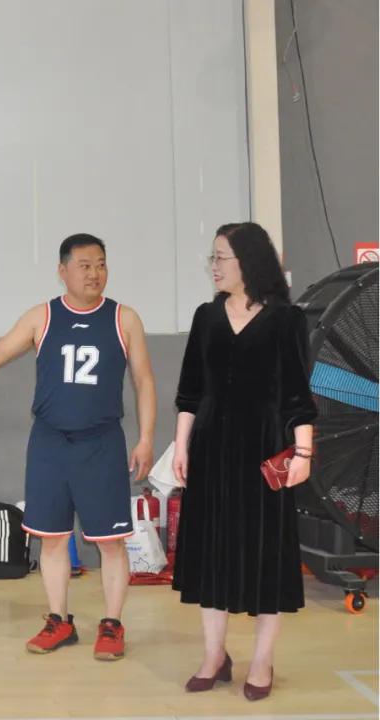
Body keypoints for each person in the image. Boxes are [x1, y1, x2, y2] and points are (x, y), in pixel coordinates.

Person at [0, 233, 155, 661]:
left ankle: (112, 624)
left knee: (111, 542)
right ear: (63, 271)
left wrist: (147, 438)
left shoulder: (125, 319)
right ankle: (59, 621)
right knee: (53, 538)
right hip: (49, 443)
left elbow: (144, 380)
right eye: (84, 265)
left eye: (101, 264)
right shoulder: (42, 317)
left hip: (101, 443)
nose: (94, 273)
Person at [172, 222, 316, 701]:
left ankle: (262, 660)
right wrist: (181, 446)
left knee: (264, 555)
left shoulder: (287, 319)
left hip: (264, 449)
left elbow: (297, 395)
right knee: (211, 552)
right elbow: (190, 391)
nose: (213, 266)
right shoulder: (206, 316)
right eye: (212, 258)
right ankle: (214, 655)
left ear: (248, 261)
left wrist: (303, 451)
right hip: (211, 448)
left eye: (221, 258)